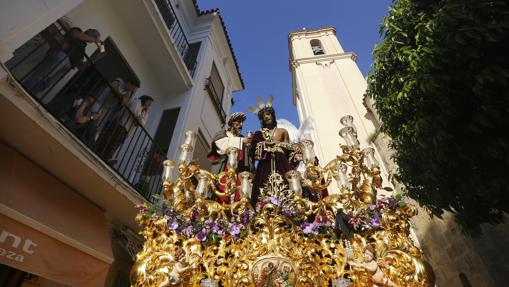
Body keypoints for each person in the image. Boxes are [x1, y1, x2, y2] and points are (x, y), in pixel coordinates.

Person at [22, 27, 103, 95]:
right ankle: (23, 90)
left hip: (65, 68)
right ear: (91, 34)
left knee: (45, 84)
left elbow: (80, 67)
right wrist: (96, 40)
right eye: (95, 37)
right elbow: (75, 34)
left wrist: (94, 59)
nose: (94, 41)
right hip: (61, 57)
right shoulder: (77, 30)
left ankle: (29, 94)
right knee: (40, 76)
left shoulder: (83, 49)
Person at [249, 97, 297, 206]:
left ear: (272, 115)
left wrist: (293, 150)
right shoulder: (259, 133)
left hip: (281, 160)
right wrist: (264, 144)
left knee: (288, 182)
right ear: (262, 120)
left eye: (268, 114)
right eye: (264, 116)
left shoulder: (282, 131)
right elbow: (253, 149)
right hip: (265, 162)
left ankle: (289, 205)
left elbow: (289, 149)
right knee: (262, 184)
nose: (266, 117)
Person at [207, 112, 253, 203]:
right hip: (224, 170)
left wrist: (250, 145)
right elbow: (221, 144)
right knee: (219, 192)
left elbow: (248, 158)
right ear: (232, 123)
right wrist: (241, 141)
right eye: (239, 122)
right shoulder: (222, 134)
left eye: (242, 123)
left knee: (239, 196)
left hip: (238, 172)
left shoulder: (242, 139)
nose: (241, 125)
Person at [96, 95, 154, 165]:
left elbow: (142, 123)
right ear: (145, 100)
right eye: (149, 102)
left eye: (151, 103)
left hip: (127, 130)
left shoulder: (145, 113)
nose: (150, 104)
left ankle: (107, 158)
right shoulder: (137, 101)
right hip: (120, 124)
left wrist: (138, 119)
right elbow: (132, 109)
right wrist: (138, 119)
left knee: (116, 144)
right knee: (109, 139)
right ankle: (99, 151)